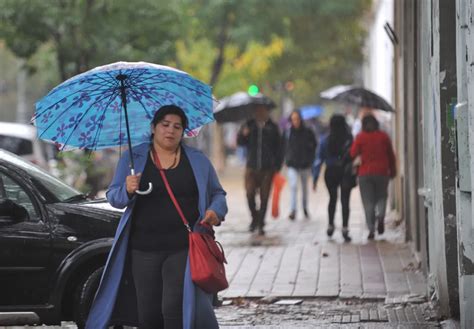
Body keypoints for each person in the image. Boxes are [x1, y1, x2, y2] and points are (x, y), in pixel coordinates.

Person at [86, 105, 228, 329]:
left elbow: (217, 193)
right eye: (165, 125)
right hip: (143, 248)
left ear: (183, 132)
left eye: (177, 126)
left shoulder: (197, 160)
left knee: (173, 307)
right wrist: (127, 188)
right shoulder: (134, 158)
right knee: (148, 313)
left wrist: (215, 211)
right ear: (153, 128)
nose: (170, 130)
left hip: (183, 247)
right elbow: (115, 197)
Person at [237, 104, 282, 236]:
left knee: (264, 196)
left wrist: (277, 166)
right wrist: (243, 134)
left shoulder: (273, 127)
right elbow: (240, 143)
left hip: (268, 168)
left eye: (263, 110)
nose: (260, 112)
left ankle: (261, 222)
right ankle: (254, 218)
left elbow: (279, 148)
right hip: (251, 166)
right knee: (249, 194)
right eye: (257, 110)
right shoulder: (248, 125)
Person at [350, 114, 396, 240]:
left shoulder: (360, 137)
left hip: (365, 173)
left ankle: (371, 229)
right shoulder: (383, 137)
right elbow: (391, 155)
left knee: (368, 202)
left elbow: (352, 153)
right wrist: (393, 171)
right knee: (382, 196)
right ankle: (381, 216)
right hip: (382, 172)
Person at [312, 114, 355, 242]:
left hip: (330, 172)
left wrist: (315, 177)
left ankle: (331, 225)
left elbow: (319, 159)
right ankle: (345, 228)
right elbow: (354, 155)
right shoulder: (349, 139)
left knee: (332, 199)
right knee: (345, 200)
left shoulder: (325, 140)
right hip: (345, 172)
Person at [282, 110, 317, 220]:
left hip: (305, 164)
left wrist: (310, 157)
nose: (295, 121)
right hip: (292, 164)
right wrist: (286, 159)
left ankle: (305, 208)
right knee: (293, 186)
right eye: (293, 119)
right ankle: (293, 210)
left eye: (297, 119)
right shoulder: (287, 132)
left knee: (304, 188)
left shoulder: (308, 131)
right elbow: (283, 146)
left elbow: (314, 145)